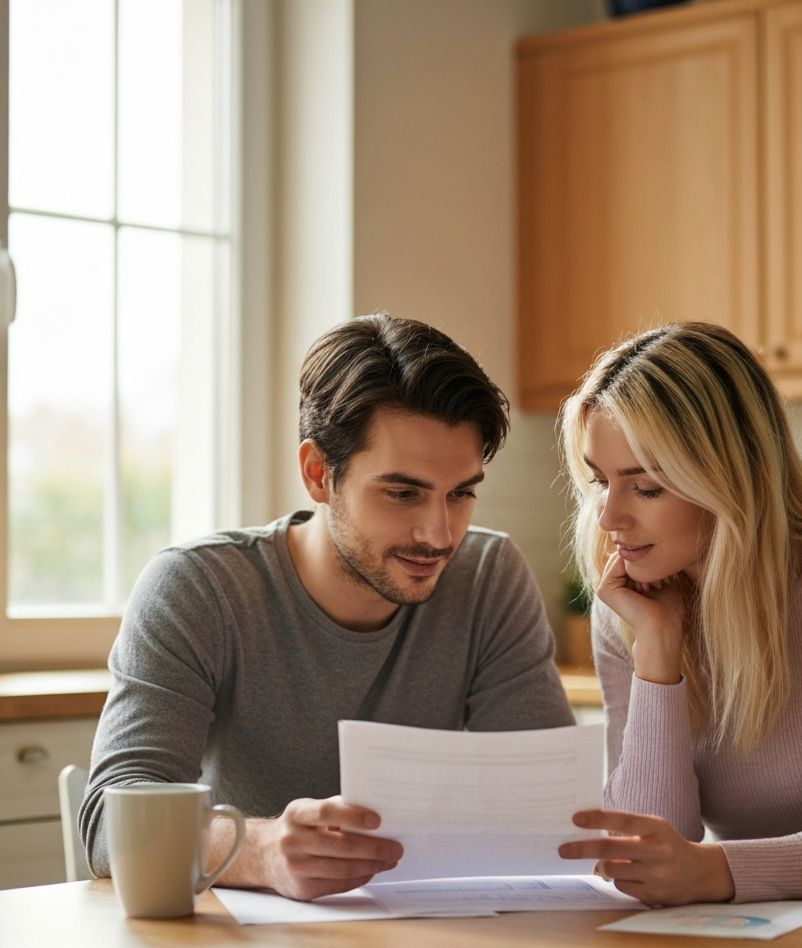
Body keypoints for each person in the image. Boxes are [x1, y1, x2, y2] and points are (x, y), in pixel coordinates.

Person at [81, 312, 574, 901]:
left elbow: (548, 814)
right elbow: (112, 827)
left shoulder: (488, 577)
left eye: (461, 493)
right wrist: (262, 852)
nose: (439, 534)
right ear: (319, 474)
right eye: (402, 492)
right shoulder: (197, 588)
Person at [555, 321, 802, 905]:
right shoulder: (632, 610)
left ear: (728, 478)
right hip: (752, 932)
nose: (609, 518)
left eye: (647, 487)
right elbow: (646, 854)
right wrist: (658, 649)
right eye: (599, 481)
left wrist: (714, 872)